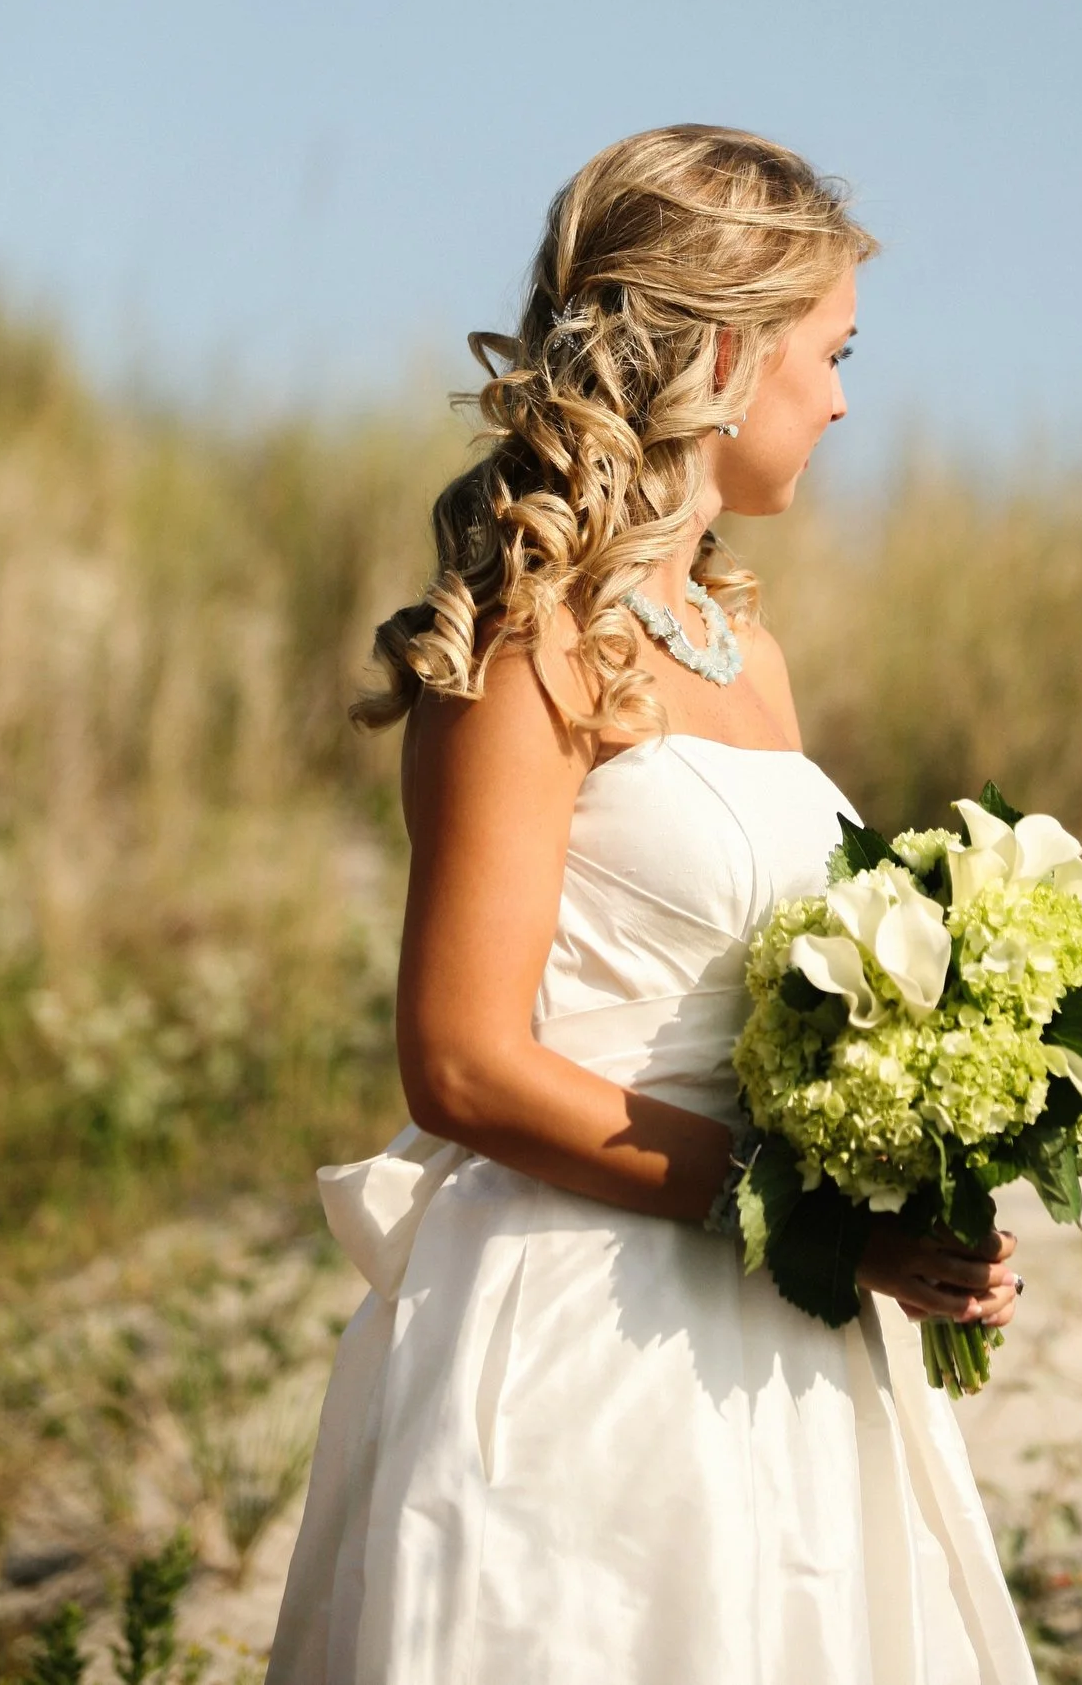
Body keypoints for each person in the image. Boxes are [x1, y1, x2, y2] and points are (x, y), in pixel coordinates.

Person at [268, 126, 1038, 1684]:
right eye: (832, 352)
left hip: (786, 1339)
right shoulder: (533, 642)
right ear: (730, 350)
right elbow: (464, 1064)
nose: (841, 398)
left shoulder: (746, 656)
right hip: (590, 1339)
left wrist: (909, 1176)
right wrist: (802, 1208)